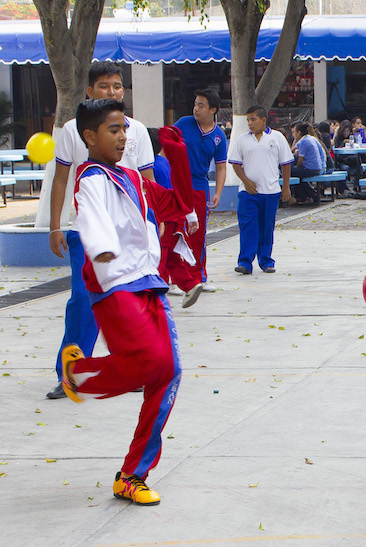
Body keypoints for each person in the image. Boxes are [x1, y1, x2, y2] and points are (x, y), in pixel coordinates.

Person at [61, 99, 193, 506]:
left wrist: (180, 158)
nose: (123, 136)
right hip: (114, 284)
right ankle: (79, 373)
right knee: (151, 361)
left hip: (148, 281)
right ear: (89, 136)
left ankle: (132, 475)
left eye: (125, 129)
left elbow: (175, 203)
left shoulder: (133, 178)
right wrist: (100, 249)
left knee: (168, 372)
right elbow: (90, 217)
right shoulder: (90, 178)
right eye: (113, 130)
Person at [46, 61, 157, 400]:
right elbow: (61, 178)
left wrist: (157, 223)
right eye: (105, 86)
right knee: (83, 300)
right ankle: (72, 374)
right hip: (88, 232)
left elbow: (148, 180)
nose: (112, 92)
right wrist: (54, 227)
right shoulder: (71, 131)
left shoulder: (136, 130)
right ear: (90, 91)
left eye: (117, 86)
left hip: (131, 231)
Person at [228, 106, 293, 275]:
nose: (250, 123)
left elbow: (286, 163)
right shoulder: (242, 140)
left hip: (271, 191)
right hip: (248, 192)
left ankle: (266, 261)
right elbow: (235, 163)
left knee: (266, 227)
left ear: (264, 120)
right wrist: (246, 182)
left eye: (253, 119)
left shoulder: (277, 137)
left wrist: (285, 187)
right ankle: (245, 262)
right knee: (248, 226)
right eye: (248, 120)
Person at [173, 89, 228, 292]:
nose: (196, 108)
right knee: (174, 231)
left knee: (197, 234)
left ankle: (198, 277)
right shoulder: (183, 124)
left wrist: (218, 193)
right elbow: (165, 146)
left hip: (199, 188)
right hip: (175, 184)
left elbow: (221, 166)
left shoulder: (219, 136)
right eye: (195, 104)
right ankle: (175, 278)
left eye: (201, 105)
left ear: (213, 109)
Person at [147, 127, 203, 308]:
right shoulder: (165, 163)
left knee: (159, 258)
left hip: (164, 216)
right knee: (171, 256)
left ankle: (159, 297)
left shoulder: (151, 167)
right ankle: (191, 284)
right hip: (175, 216)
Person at [286, 122, 327, 204]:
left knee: (289, 173)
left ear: (299, 132)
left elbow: (300, 161)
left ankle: (301, 196)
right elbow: (293, 149)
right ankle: (306, 195)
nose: (293, 134)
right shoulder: (311, 138)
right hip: (318, 168)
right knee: (298, 175)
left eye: (294, 132)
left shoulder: (304, 142)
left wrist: (296, 168)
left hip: (311, 169)